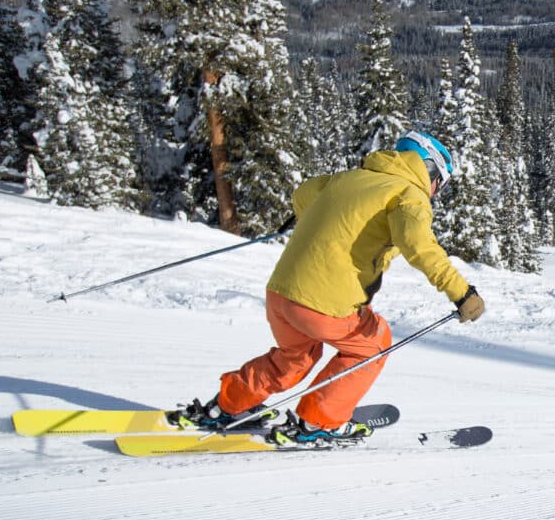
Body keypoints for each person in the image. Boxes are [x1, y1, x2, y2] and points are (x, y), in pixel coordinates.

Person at [175, 131, 486, 445]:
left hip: (281, 294)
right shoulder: (409, 195)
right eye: (440, 184)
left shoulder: (350, 177)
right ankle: (319, 421)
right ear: (429, 169)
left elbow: (303, 194)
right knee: (373, 342)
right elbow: (420, 246)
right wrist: (462, 293)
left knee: (295, 358)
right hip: (322, 305)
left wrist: (322, 219)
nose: (436, 192)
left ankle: (227, 407)